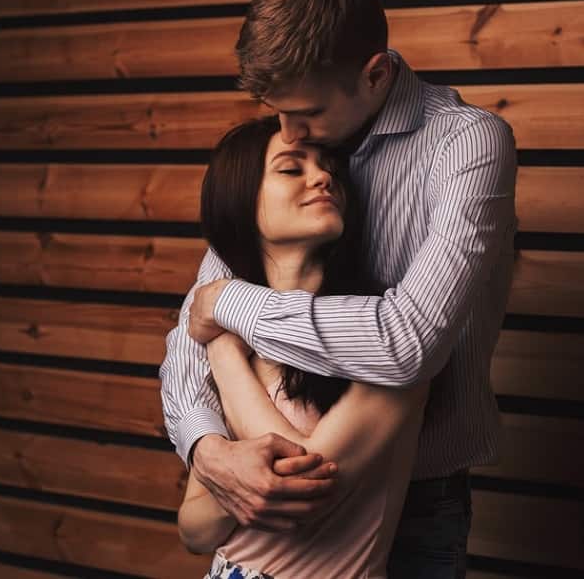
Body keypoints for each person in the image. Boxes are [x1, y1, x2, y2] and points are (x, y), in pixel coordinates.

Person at [160, 0, 517, 577]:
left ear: (375, 74)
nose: (292, 136)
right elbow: (192, 333)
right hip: (252, 487)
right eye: (280, 114)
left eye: (308, 115)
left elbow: (408, 345)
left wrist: (227, 306)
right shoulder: (290, 137)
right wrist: (208, 448)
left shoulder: (467, 145)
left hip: (419, 499)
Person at [178, 115, 429, 577]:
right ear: (241, 201)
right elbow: (192, 530)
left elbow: (307, 489)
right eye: (292, 169)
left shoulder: (385, 334)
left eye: (328, 167)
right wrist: (233, 480)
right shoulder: (232, 333)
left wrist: (222, 351)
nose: (322, 177)